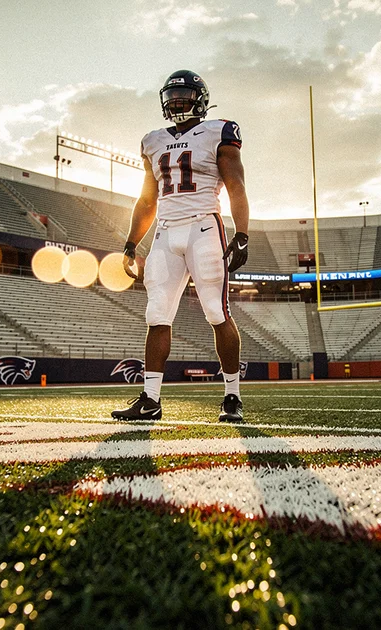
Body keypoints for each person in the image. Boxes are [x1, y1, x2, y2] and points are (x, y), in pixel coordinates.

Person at [111, 70, 250, 422]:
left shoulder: (219, 131)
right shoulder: (152, 140)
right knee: (156, 315)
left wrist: (242, 233)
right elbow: (146, 200)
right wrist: (130, 243)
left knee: (217, 313)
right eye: (172, 97)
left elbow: (236, 186)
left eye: (184, 95)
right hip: (164, 232)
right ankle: (150, 399)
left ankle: (232, 396)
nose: (177, 102)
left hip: (204, 226)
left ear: (200, 99)